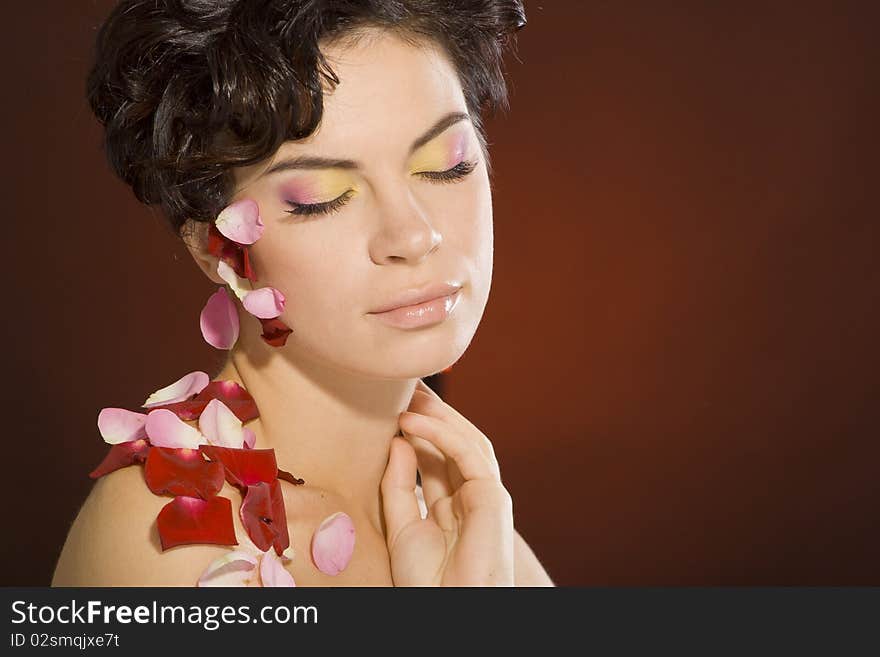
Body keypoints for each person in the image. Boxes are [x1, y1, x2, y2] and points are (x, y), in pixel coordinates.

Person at [52, 0, 553, 587]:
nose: (413, 235)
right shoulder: (174, 539)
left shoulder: (476, 535)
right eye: (322, 197)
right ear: (213, 244)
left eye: (447, 164)